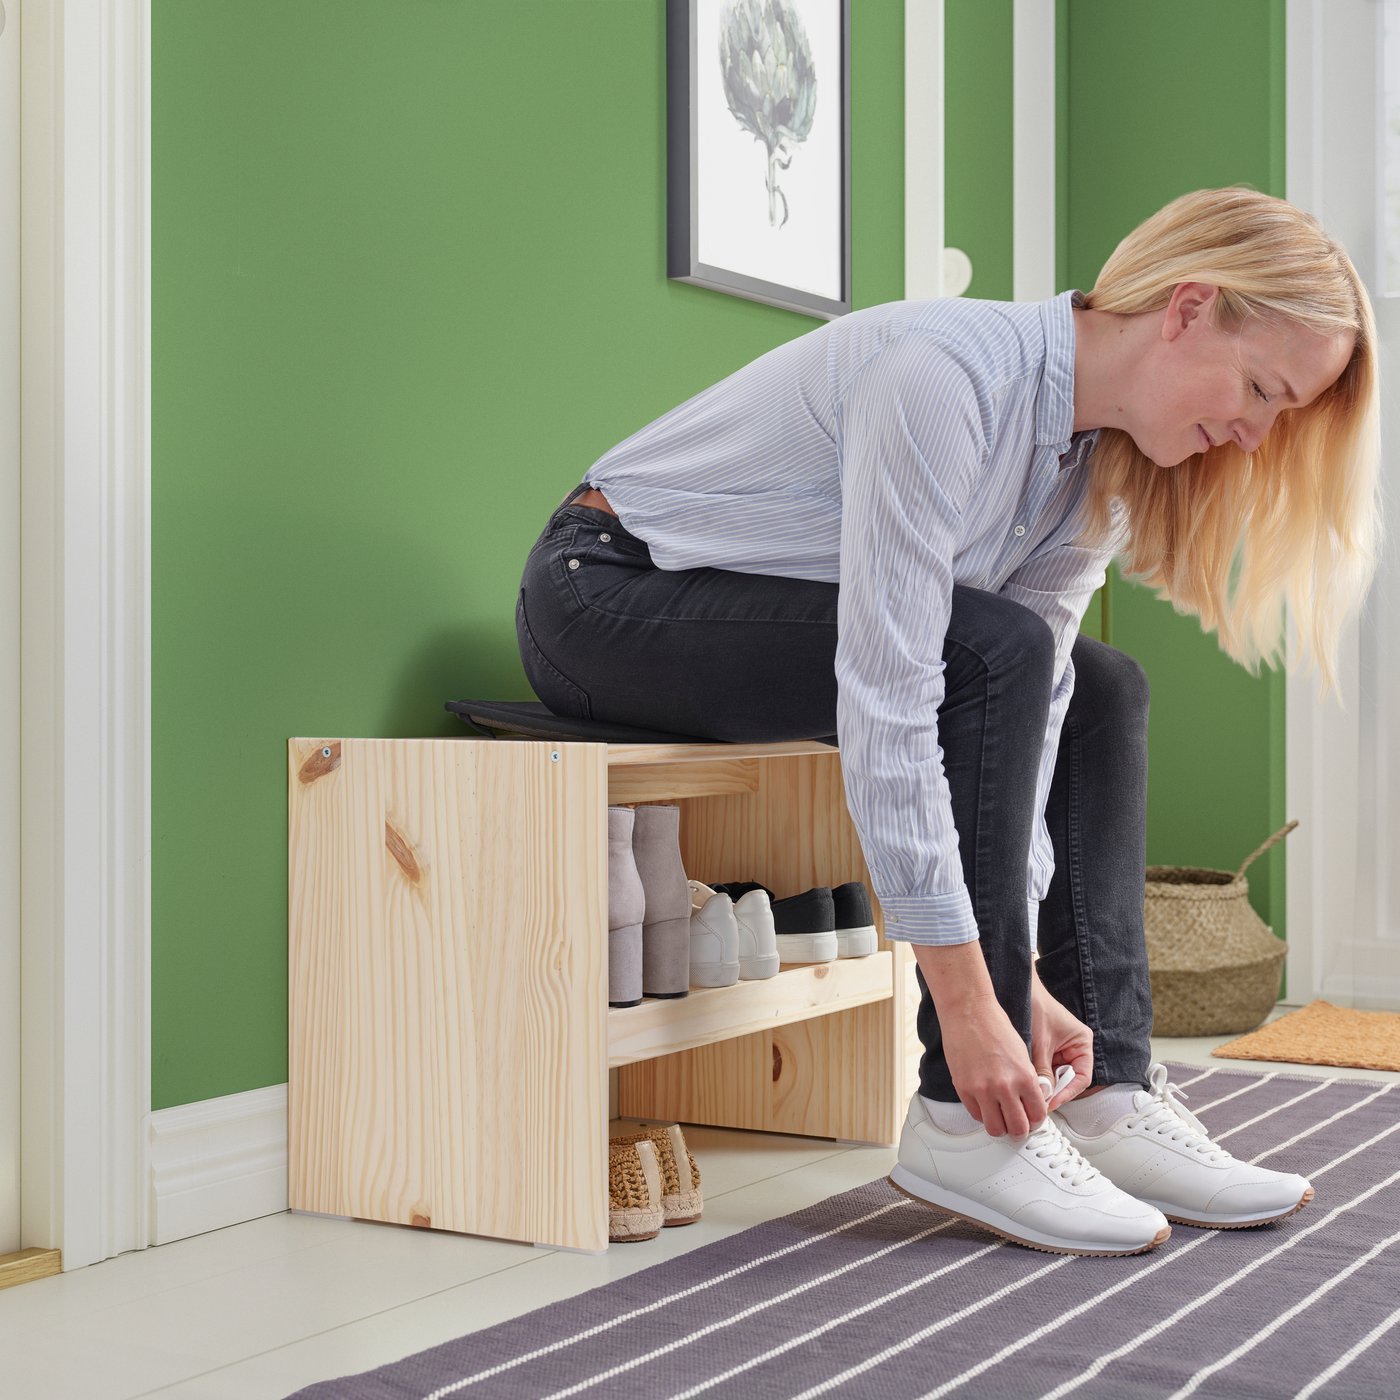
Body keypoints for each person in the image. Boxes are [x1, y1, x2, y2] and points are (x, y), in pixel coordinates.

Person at [514, 185, 1382, 1256]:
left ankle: (1105, 1086)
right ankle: (958, 1120)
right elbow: (891, 698)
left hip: (736, 618)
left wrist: (1018, 986)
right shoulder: (944, 373)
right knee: (989, 651)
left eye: (1280, 413)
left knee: (1099, 684)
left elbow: (1032, 715)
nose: (1253, 435)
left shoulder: (1091, 473)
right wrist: (972, 1012)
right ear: (1187, 306)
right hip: (601, 596)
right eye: (1260, 387)